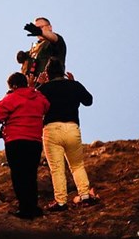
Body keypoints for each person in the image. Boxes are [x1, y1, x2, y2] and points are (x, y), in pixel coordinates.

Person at [35, 58, 99, 212]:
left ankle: (61, 201)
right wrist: (75, 83)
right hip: (72, 128)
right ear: (63, 71)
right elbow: (89, 101)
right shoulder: (73, 85)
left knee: (57, 168)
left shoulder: (45, 88)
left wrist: (39, 85)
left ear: (48, 73)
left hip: (51, 129)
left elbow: (34, 103)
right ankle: (84, 195)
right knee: (77, 165)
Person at [0, 72, 50, 220]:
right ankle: (33, 206)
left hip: (15, 141)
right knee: (30, 174)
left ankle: (25, 209)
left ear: (13, 86)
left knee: (18, 175)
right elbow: (46, 106)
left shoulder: (11, 98)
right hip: (34, 141)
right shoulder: (39, 97)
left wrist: (8, 95)